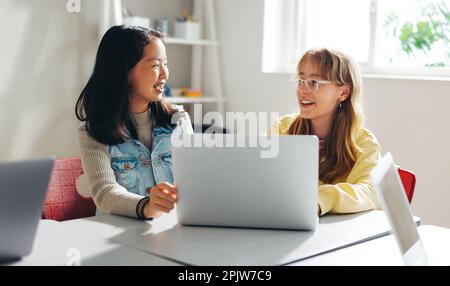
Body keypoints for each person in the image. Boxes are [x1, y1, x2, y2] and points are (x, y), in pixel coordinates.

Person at [75, 25, 192, 221]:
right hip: (118, 239)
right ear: (124, 71)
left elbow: (195, 180)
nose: (165, 74)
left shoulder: (178, 121)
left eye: (166, 64)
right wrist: (147, 207)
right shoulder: (93, 131)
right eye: (155, 65)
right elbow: (104, 193)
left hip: (171, 233)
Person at [269, 48, 381, 215]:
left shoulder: (364, 143)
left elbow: (371, 191)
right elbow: (259, 175)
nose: (302, 89)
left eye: (314, 82)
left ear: (343, 92)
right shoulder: (282, 128)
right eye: (301, 80)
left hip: (340, 233)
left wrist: (322, 199)